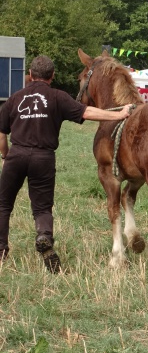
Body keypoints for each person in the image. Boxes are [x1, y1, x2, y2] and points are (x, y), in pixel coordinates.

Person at [0, 55, 133, 273]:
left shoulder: (15, 98)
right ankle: (44, 236)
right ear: (52, 77)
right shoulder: (57, 97)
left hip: (17, 154)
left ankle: (1, 252)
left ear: (31, 75)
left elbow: (1, 133)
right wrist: (119, 114)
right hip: (43, 158)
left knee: (3, 205)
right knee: (42, 207)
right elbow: (87, 112)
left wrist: (6, 156)